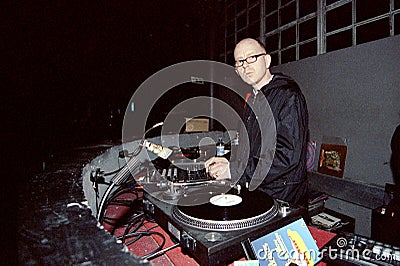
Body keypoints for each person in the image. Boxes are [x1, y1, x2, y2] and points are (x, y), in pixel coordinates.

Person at [206, 38, 309, 207]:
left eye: (252, 57)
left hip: (282, 197)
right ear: (236, 71)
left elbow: (286, 155)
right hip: (260, 191)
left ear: (267, 60)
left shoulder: (288, 96)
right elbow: (254, 149)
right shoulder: (254, 100)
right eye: (240, 62)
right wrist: (229, 163)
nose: (245, 65)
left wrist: (234, 171)